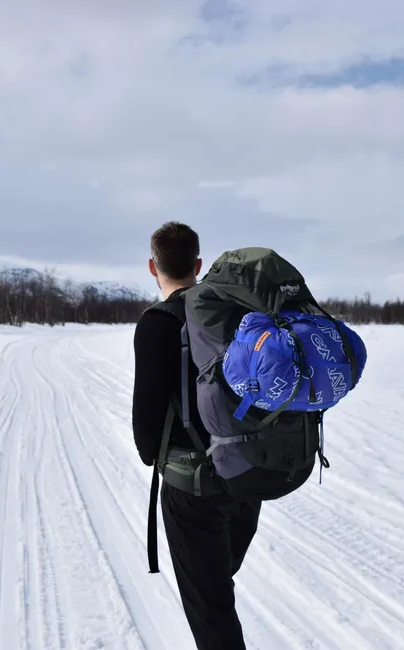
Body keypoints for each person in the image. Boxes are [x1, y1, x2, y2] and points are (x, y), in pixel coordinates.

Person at [132, 221, 262, 650]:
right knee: (217, 586)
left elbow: (146, 426)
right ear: (199, 264)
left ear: (153, 267)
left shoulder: (157, 323)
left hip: (193, 489)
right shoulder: (232, 311)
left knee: (211, 611)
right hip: (246, 475)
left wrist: (155, 454)